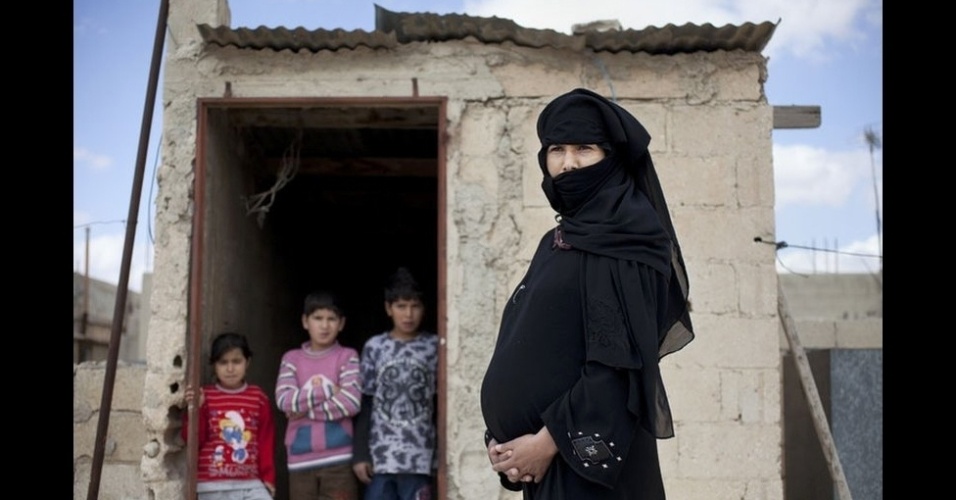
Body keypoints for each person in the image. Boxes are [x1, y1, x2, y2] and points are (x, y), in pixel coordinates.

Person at [479, 87, 695, 499]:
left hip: (592, 476)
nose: (569, 163)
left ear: (610, 158)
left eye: (585, 148)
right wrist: (505, 443)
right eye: (556, 149)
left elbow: (619, 367)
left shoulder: (629, 239)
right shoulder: (556, 242)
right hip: (547, 471)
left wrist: (546, 442)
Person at [351, 267, 439, 500]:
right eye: (401, 306)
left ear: (424, 308)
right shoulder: (375, 347)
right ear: (388, 308)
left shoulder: (433, 347)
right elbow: (366, 402)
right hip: (381, 458)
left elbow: (440, 405)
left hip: (420, 459)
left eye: (415, 306)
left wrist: (440, 456)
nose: (408, 314)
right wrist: (360, 454)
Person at [275, 290, 363, 500]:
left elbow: (351, 403)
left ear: (341, 324)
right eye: (318, 318)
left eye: (331, 319)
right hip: (300, 461)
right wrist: (329, 390)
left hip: (339, 459)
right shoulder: (292, 359)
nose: (325, 326)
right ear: (305, 322)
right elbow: (284, 400)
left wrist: (303, 410)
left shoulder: (347, 356)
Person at [182, 332, 277, 499]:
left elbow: (266, 441)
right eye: (223, 362)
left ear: (247, 362)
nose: (230, 369)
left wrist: (268, 476)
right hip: (211, 487)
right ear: (214, 365)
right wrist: (197, 408)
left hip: (250, 484)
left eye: (237, 361)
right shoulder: (205, 396)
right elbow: (193, 439)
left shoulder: (258, 397)